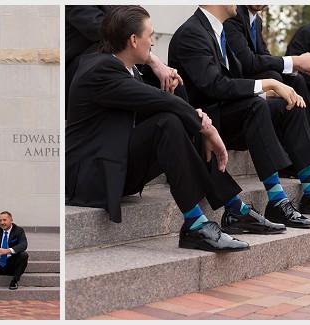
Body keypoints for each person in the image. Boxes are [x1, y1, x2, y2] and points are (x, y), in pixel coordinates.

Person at [65, 5, 256, 252]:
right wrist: (207, 128)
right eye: (150, 36)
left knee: (175, 110)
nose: (154, 43)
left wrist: (196, 116)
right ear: (133, 40)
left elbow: (159, 102)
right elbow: (161, 103)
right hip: (93, 179)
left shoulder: (128, 69)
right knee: (169, 121)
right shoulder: (99, 69)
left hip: (116, 162)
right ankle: (196, 224)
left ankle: (230, 205)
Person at [168, 5, 310, 230]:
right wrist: (270, 84)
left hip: (226, 112)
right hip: (205, 123)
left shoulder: (215, 30)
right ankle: (277, 199)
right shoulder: (192, 32)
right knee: (257, 105)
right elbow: (213, 85)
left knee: (290, 104)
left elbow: (233, 78)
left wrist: (272, 91)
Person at [222, 5, 310, 175]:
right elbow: (246, 61)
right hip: (237, 85)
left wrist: (299, 66)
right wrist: (294, 61)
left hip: (255, 78)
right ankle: (288, 155)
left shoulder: (257, 21)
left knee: (296, 79)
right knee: (275, 77)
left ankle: (309, 150)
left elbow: (264, 55)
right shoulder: (234, 16)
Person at [65, 5, 184, 119]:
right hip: (88, 72)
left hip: (122, 67)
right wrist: (152, 60)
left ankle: (197, 134)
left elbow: (138, 32)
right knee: (170, 112)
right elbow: (106, 32)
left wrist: (158, 67)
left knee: (173, 83)